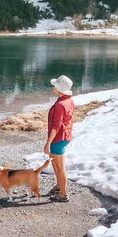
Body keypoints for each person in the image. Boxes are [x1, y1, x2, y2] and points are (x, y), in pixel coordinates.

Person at [44, 75, 75, 203]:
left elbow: (56, 126)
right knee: (55, 164)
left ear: (59, 88)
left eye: (55, 85)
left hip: (58, 138)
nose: (53, 86)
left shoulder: (60, 104)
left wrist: (48, 143)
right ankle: (59, 187)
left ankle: (63, 194)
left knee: (60, 167)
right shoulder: (68, 100)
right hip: (64, 135)